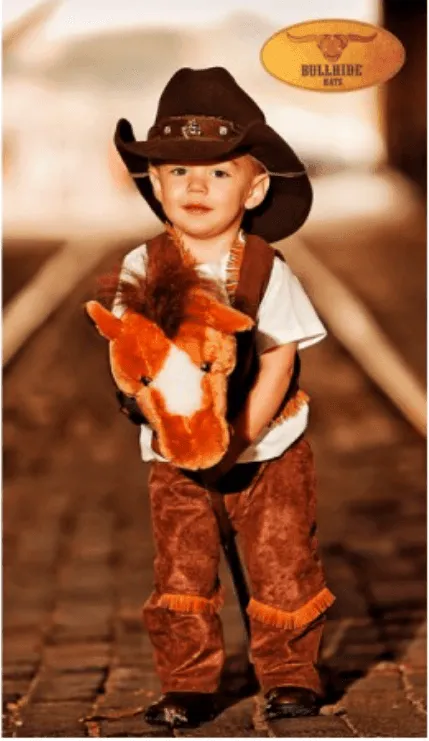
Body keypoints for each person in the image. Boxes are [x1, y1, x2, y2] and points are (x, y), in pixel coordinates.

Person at [111, 66, 335, 728]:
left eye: (215, 171)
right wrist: (145, 402)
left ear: (255, 185)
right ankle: (188, 681)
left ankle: (290, 672)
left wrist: (240, 434)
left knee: (282, 558)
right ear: (153, 184)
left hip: (269, 447)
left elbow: (279, 354)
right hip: (175, 455)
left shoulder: (266, 266)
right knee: (182, 566)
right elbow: (131, 353)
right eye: (176, 172)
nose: (195, 186)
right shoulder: (141, 265)